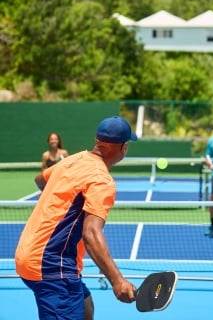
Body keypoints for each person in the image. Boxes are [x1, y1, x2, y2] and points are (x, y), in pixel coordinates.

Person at [15, 116, 138, 320]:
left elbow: (40, 180)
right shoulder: (101, 180)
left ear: (97, 141)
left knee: (85, 308)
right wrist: (117, 280)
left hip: (29, 254)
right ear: (123, 147)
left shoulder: (74, 159)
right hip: (52, 265)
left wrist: (61, 195)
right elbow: (90, 233)